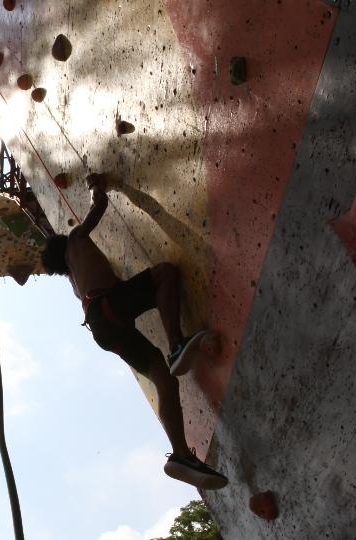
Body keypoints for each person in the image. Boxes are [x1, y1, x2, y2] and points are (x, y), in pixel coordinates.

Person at [40, 173, 228, 490]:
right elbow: (99, 207)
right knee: (164, 274)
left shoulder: (74, 281)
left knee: (163, 378)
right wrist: (97, 185)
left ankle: (181, 454)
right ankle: (177, 345)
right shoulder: (75, 241)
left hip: (102, 328)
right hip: (109, 307)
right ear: (64, 243)